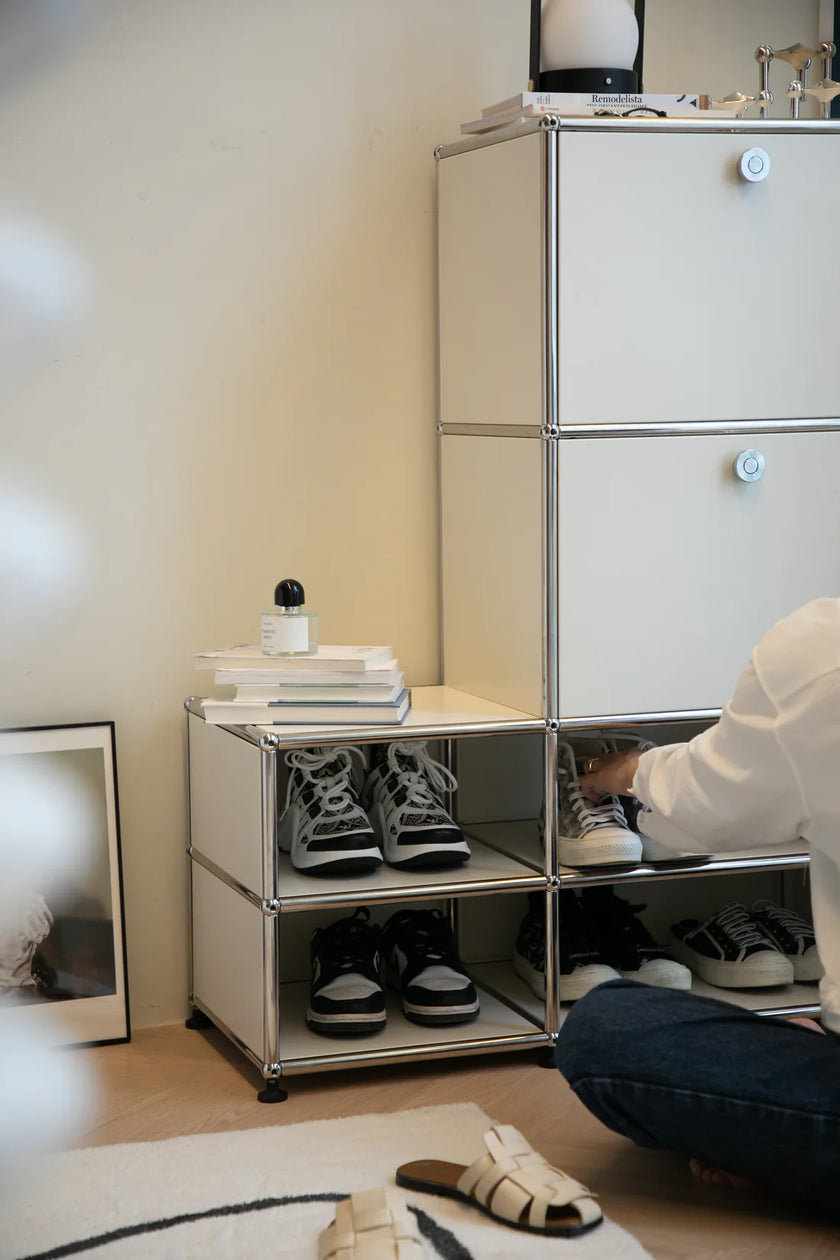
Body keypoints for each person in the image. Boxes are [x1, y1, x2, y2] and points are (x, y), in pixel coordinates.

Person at [554, 596, 840, 1219]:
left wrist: (628, 771)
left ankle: (784, 1152)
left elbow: (698, 816)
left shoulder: (821, 653)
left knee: (604, 1026)